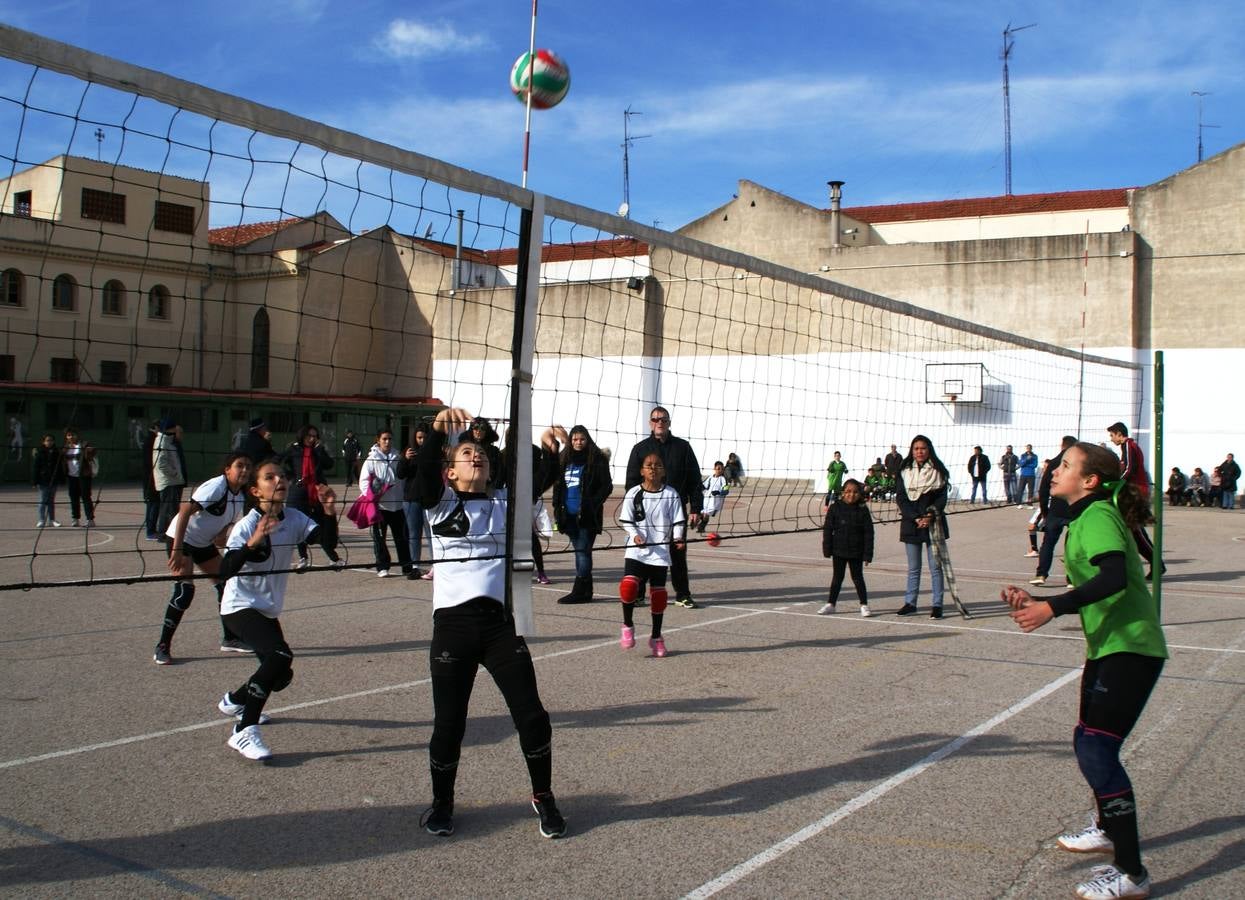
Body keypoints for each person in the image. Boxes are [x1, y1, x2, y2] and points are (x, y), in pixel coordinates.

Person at [1000, 441, 1167, 900]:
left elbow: (1113, 576)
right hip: (1110, 645)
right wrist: (1036, 601)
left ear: (1090, 481)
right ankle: (1107, 827)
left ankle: (1132, 875)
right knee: (1087, 740)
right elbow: (1100, 584)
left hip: (1131, 648)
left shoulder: (1095, 517)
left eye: (1066, 465)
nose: (1055, 470)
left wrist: (1051, 607)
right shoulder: (1086, 516)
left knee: (1097, 750)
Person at [413, 407, 566, 839]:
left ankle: (543, 796)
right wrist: (439, 430)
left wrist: (549, 451)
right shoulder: (439, 502)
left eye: (479, 451)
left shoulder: (505, 503)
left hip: (500, 625)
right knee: (449, 725)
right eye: (465, 452)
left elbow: (539, 476)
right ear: (451, 469)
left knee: (533, 717)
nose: (475, 456)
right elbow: (424, 473)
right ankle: (442, 803)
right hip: (453, 628)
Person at [216, 457, 341, 760]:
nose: (279, 481)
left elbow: (327, 542)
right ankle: (243, 730)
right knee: (279, 656)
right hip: (239, 607)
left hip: (267, 608)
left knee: (281, 674)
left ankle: (235, 700)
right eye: (269, 478)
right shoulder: (246, 526)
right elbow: (224, 571)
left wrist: (328, 512)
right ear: (256, 491)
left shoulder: (295, 518)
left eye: (282, 476)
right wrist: (253, 543)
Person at [154, 452, 255, 664]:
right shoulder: (216, 487)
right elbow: (184, 512)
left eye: (248, 466)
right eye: (240, 465)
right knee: (185, 591)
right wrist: (177, 549)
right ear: (228, 469)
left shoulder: (240, 496)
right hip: (181, 538)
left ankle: (230, 639)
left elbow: (223, 531)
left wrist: (224, 538)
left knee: (226, 586)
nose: (244, 470)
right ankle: (162, 645)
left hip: (202, 543)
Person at [625, 406, 704, 609]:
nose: (659, 422)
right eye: (655, 419)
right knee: (643, 553)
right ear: (650, 423)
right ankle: (640, 594)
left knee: (678, 554)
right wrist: (636, 510)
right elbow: (631, 484)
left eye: (664, 420)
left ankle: (682, 594)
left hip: (674, 511)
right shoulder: (640, 449)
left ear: (669, 423)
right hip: (647, 514)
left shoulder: (683, 447)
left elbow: (695, 480)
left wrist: (696, 508)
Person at [618, 452, 686, 658]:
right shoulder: (633, 493)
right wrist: (635, 535)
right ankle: (627, 625)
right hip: (637, 550)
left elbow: (678, 520)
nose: (653, 468)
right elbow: (626, 520)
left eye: (658, 465)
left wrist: (677, 537)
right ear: (642, 471)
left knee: (658, 595)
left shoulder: (671, 494)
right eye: (649, 465)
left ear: (663, 471)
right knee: (629, 586)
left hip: (660, 551)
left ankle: (656, 637)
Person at [550, 424, 613, 604]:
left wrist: (592, 504)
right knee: (579, 551)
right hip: (567, 515)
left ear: (587, 440)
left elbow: (606, 486)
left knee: (583, 552)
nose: (578, 442)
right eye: (575, 439)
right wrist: (556, 508)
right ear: (570, 440)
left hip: (586, 516)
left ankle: (579, 590)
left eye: (582, 439)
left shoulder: (597, 459)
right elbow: (557, 485)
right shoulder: (564, 458)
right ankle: (586, 590)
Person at [895, 435, 948, 619]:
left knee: (935, 567)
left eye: (923, 448)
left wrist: (930, 515)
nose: (919, 451)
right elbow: (901, 497)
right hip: (911, 522)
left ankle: (937, 604)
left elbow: (942, 498)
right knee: (914, 567)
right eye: (916, 448)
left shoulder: (938, 470)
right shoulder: (904, 470)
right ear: (912, 450)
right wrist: (916, 517)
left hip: (933, 523)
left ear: (929, 449)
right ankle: (910, 603)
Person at [1107, 423, 1163, 579]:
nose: (1111, 439)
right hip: (1134, 490)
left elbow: (1129, 468)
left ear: (1119, 434)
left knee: (1135, 531)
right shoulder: (1129, 446)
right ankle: (1156, 563)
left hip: (1135, 492)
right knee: (1133, 530)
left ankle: (1156, 563)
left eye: (1112, 435)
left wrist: (1117, 482)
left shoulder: (1128, 446)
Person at [280, 424, 335, 570]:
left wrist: (320, 449)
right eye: (309, 436)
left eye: (314, 436)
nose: (311, 439)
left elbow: (329, 464)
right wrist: (292, 477)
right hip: (298, 493)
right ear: (302, 435)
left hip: (317, 492)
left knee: (321, 525)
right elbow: (281, 461)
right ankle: (303, 557)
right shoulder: (294, 449)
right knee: (300, 525)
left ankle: (333, 557)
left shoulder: (317, 451)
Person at [359, 427, 411, 577]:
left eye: (389, 439)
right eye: (384, 439)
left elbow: (403, 476)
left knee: (402, 538)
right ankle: (382, 566)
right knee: (379, 539)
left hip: (397, 506)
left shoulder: (398, 457)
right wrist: (371, 497)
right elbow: (363, 481)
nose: (387, 442)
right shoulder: (371, 459)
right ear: (378, 440)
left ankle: (406, 566)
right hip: (380, 507)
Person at [819, 478, 874, 617]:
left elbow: (869, 533)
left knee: (857, 577)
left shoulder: (862, 510)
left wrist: (868, 554)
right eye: (848, 491)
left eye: (855, 492)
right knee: (837, 577)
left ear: (860, 494)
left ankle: (864, 605)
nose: (851, 495)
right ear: (843, 492)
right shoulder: (835, 507)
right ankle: (831, 604)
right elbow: (827, 529)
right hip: (839, 549)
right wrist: (827, 548)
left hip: (856, 550)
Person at [1031, 436, 1078, 587]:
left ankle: (1041, 574)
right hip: (1073, 509)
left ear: (1061, 446)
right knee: (1072, 545)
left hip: (1056, 510)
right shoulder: (1077, 464)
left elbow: (1044, 488)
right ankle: (1071, 579)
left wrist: (1045, 511)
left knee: (1048, 543)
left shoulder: (1053, 463)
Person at [395, 422, 434, 580]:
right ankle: (415, 566)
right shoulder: (408, 452)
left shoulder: (433, 452)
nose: (422, 441)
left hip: (429, 500)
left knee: (432, 534)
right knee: (413, 534)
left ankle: (436, 565)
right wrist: (405, 459)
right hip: (411, 499)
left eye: (425, 437)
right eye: (419, 437)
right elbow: (400, 474)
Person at [152, 419, 187, 537]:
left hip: (173, 481)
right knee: (168, 509)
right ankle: (164, 533)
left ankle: (167, 532)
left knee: (171, 508)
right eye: (174, 429)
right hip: (168, 482)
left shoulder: (169, 441)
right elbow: (161, 464)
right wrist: (175, 473)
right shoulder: (162, 442)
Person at [61, 429, 97, 526]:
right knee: (73, 498)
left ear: (77, 435)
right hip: (71, 477)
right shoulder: (65, 448)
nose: (71, 437)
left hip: (83, 475)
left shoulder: (83, 445)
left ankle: (90, 519)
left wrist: (90, 450)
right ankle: (75, 519)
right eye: (69, 435)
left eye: (73, 435)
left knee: (86, 497)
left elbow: (92, 452)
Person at [31, 433, 63, 527]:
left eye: (51, 440)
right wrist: (34, 481)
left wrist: (61, 479)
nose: (49, 442)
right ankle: (41, 519)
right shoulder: (39, 452)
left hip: (53, 480)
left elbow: (59, 467)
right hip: (43, 480)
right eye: (47, 440)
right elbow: (36, 468)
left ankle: (52, 520)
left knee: (51, 501)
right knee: (42, 500)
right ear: (44, 442)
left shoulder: (56, 452)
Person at [141, 420, 161, 540]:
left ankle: (152, 529)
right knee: (153, 503)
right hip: (151, 477)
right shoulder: (152, 440)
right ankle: (150, 531)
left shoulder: (150, 439)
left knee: (153, 503)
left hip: (151, 476)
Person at [699, 461, 728, 534]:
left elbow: (726, 491)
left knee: (706, 514)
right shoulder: (710, 477)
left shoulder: (723, 479)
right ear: (714, 468)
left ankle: (701, 526)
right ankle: (701, 527)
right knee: (702, 513)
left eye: (722, 469)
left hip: (715, 502)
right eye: (718, 468)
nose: (720, 470)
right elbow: (703, 486)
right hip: (706, 499)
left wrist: (718, 492)